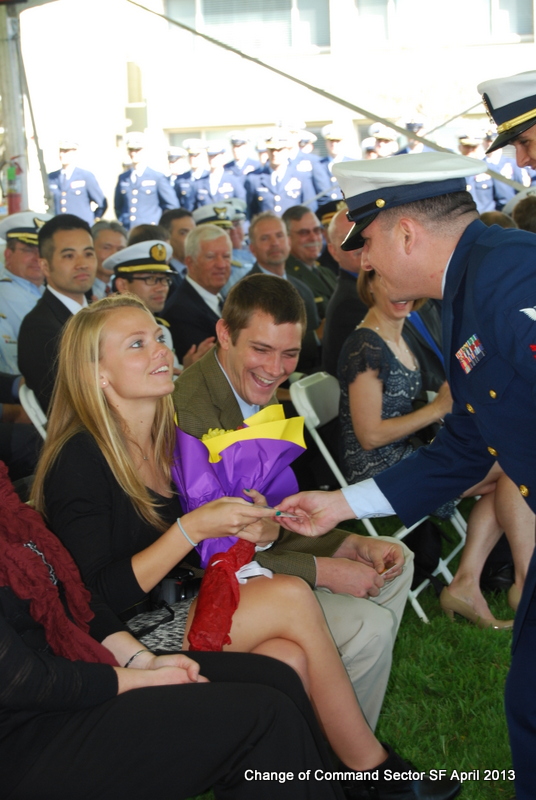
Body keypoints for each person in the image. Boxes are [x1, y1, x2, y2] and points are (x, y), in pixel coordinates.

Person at [30, 294, 459, 800]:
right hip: (124, 640)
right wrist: (192, 529)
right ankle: (373, 772)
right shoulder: (80, 458)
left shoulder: (167, 439)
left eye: (158, 337)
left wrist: (257, 522)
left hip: (181, 604)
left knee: (286, 658)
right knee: (289, 597)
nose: (161, 350)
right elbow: (90, 598)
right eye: (137, 344)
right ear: (97, 374)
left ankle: (320, 778)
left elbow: (208, 543)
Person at [272, 145, 536, 799]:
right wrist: (339, 506)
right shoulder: (467, 288)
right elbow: (465, 448)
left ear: (408, 233)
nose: (363, 262)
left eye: (366, 243)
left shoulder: (511, 276)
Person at [0, 460, 345, 800]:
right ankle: (365, 774)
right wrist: (140, 679)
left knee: (276, 676)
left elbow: (78, 602)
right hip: (24, 739)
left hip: (79, 670)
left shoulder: (11, 511)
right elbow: (19, 680)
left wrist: (143, 661)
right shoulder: (78, 460)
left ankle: (342, 780)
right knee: (264, 714)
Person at [174, 273, 414, 731]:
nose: (276, 368)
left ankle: (331, 725)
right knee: (370, 627)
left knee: (395, 559)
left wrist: (345, 544)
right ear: (224, 334)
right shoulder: (193, 413)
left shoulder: (249, 386)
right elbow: (208, 550)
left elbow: (270, 519)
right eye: (261, 349)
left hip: (259, 560)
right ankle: (345, 750)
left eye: (290, 354)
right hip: (206, 588)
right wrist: (325, 570)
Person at [18, 214, 97, 414]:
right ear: (45, 266)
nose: (82, 264)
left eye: (88, 253)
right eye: (69, 256)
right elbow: (64, 407)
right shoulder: (40, 327)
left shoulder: (97, 315)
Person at [246, 212, 321, 373]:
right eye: (265, 238)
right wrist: (316, 336)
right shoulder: (246, 293)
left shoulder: (303, 288)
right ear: (252, 249)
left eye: (279, 236)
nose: (274, 243)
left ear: (288, 241)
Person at [160, 224, 226, 362]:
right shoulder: (180, 312)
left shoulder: (224, 299)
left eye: (226, 256)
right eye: (210, 257)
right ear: (190, 262)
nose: (221, 264)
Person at [0, 211, 52, 336]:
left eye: (43, 251)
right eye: (29, 250)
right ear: (8, 255)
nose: (38, 258)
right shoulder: (3, 295)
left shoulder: (46, 292)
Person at [114, 132, 178, 230]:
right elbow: (118, 206)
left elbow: (172, 205)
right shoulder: (123, 177)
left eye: (137, 150)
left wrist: (161, 226)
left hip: (150, 230)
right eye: (131, 150)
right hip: (128, 229)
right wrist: (123, 220)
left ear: (144, 151)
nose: (133, 153)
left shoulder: (157, 177)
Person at [283, 205, 337, 319]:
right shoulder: (285, 279)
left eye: (317, 230)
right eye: (304, 232)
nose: (313, 238)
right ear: (287, 238)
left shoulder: (326, 273)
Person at [47, 140, 107, 226]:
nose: (62, 155)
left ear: (74, 153)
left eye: (66, 151)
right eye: (61, 151)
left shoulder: (85, 176)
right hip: (60, 227)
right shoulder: (52, 177)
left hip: (81, 227)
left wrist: (92, 219)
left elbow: (101, 203)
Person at [91, 220, 128, 299]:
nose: (114, 255)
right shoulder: (78, 289)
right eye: (106, 248)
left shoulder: (125, 290)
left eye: (120, 250)